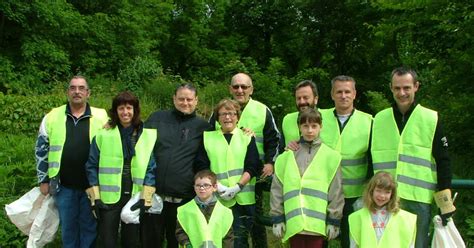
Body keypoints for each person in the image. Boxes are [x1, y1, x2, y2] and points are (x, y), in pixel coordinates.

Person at [371, 67, 456, 248]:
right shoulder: (379, 119)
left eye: (407, 88)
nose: (402, 93)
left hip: (418, 200)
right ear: (391, 88)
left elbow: (443, 161)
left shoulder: (430, 118)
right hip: (384, 198)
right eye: (397, 88)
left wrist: (445, 205)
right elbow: (369, 159)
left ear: (416, 86)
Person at [35, 76, 108, 247]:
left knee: (89, 227)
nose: (77, 91)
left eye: (81, 88)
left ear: (88, 93)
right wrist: (43, 179)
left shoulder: (102, 116)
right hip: (64, 186)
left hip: (92, 185)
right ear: (67, 92)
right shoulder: (52, 116)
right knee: (68, 228)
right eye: (73, 88)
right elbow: (41, 149)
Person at [209, 73, 280, 248]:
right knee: (229, 225)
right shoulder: (220, 111)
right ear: (230, 89)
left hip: (255, 176)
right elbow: (209, 138)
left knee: (255, 220)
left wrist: (270, 162)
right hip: (225, 180)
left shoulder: (262, 110)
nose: (240, 90)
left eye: (244, 87)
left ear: (251, 89)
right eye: (236, 87)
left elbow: (274, 139)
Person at [141, 83, 212, 248]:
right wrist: (113, 123)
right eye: (181, 99)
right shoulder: (157, 118)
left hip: (184, 199)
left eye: (189, 99)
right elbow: (137, 137)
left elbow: (227, 129)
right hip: (154, 196)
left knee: (177, 242)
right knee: (150, 242)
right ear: (174, 99)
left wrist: (245, 131)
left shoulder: (204, 127)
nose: (185, 103)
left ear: (196, 101)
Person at [85, 91, 157, 247]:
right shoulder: (103, 134)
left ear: (135, 110)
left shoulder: (146, 135)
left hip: (134, 194)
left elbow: (151, 167)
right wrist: (95, 197)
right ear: (115, 111)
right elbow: (91, 165)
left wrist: (147, 197)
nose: (125, 112)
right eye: (121, 108)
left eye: (129, 108)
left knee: (131, 241)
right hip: (108, 198)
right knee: (107, 241)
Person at [270, 108, 344, 248]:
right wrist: (277, 217)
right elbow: (277, 188)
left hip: (316, 225)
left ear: (320, 127)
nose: (310, 130)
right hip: (295, 223)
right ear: (299, 127)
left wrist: (334, 220)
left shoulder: (331, 157)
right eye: (305, 126)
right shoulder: (287, 156)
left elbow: (336, 190)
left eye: (314, 126)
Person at [196, 98, 260, 247]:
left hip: (243, 199)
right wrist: (217, 186)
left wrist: (238, 187)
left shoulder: (247, 137)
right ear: (217, 118)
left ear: (237, 117)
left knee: (240, 241)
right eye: (223, 114)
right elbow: (201, 165)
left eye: (231, 113)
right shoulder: (208, 138)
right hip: (216, 198)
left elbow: (253, 165)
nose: (227, 117)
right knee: (218, 239)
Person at [318, 75, 373, 248]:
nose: (343, 96)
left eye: (347, 91)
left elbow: (373, 160)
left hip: (354, 195)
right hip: (322, 193)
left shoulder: (369, 121)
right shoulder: (319, 118)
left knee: (351, 242)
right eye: (339, 92)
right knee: (319, 239)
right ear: (332, 94)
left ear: (355, 94)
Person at [349, 171, 417, 247]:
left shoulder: (405, 219)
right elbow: (353, 245)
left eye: (387, 192)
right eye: (378, 191)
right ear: (371, 191)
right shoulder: (358, 217)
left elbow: (410, 244)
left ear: (392, 194)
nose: (382, 196)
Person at [176, 170, 234, 248]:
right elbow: (180, 232)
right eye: (198, 185)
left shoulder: (225, 212)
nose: (202, 188)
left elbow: (228, 239)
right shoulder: (184, 210)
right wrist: (187, 244)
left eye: (206, 185)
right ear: (194, 187)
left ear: (214, 187)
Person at [281, 80, 319, 146]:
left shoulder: (328, 118)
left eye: (305, 98)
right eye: (298, 98)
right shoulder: (287, 120)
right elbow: (280, 148)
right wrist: (287, 148)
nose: (302, 102)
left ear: (315, 99)